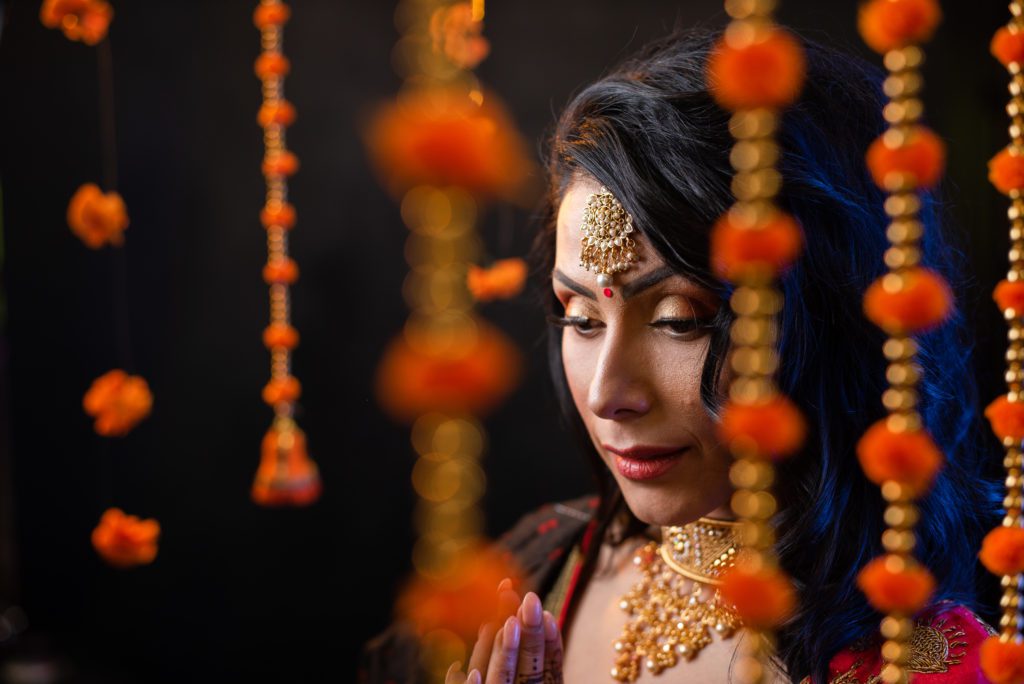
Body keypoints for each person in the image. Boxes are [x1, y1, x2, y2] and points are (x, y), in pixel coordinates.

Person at [361, 27, 1000, 684]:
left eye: (679, 321)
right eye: (580, 318)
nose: (610, 393)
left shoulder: (923, 664)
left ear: (823, 320)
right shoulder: (538, 569)